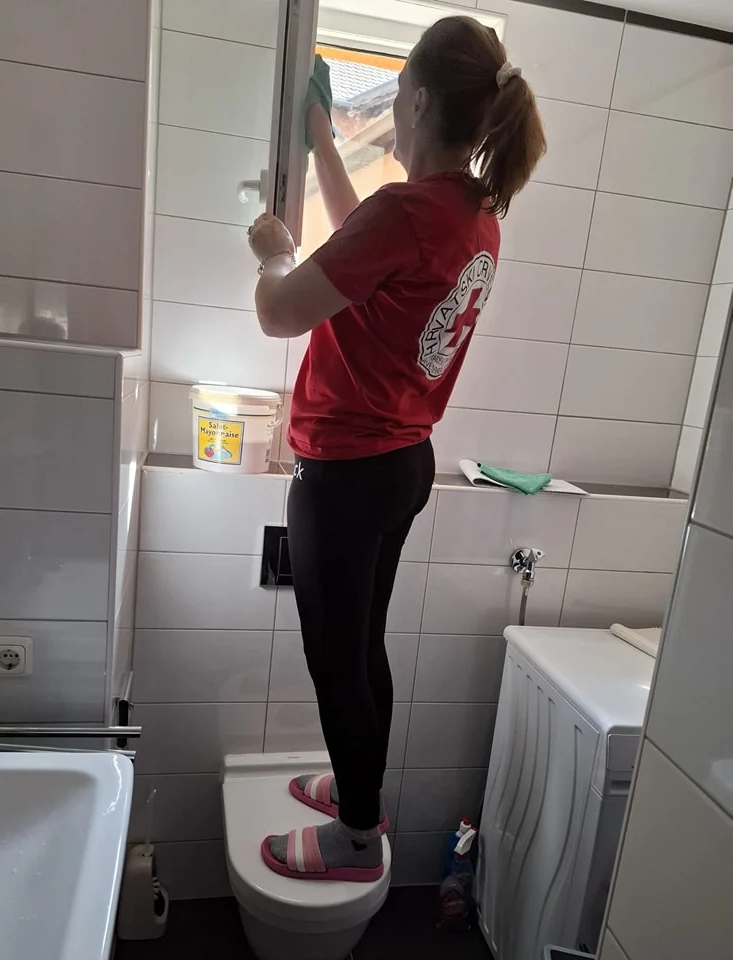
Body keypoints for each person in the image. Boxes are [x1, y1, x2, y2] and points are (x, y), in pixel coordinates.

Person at [248, 15, 546, 883]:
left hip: (345, 471)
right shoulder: (471, 213)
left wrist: (273, 255)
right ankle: (360, 798)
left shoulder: (411, 212)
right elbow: (365, 242)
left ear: (415, 101)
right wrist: (318, 140)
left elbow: (280, 312)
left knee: (334, 658)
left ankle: (353, 838)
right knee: (362, 644)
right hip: (401, 463)